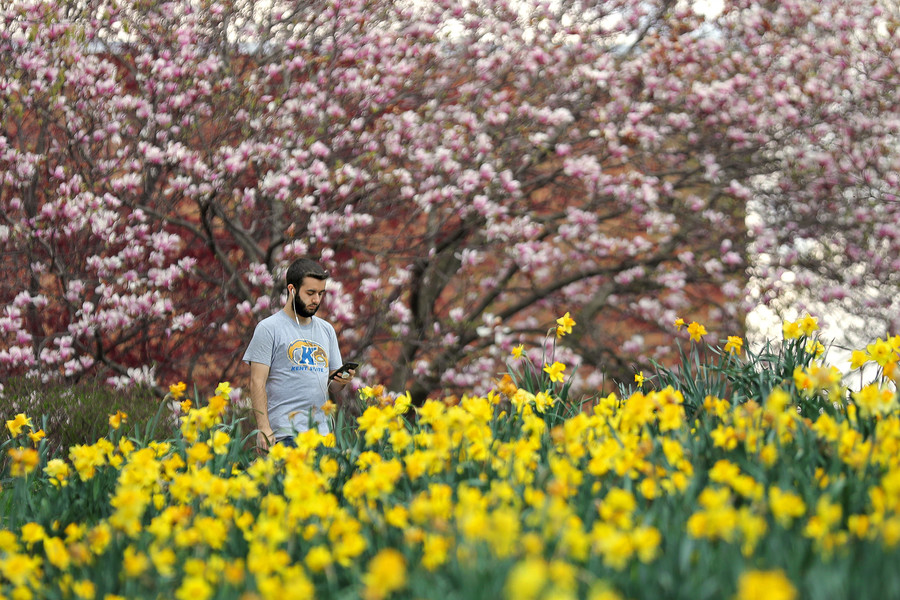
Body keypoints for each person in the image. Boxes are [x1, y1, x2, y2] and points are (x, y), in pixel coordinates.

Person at [242, 258, 355, 450]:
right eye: (310, 293)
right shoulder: (269, 328)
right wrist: (263, 428)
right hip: (285, 434)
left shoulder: (326, 330)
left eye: (320, 293)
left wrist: (342, 380)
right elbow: (257, 382)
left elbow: (333, 387)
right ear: (292, 289)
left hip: (322, 435)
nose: (316, 300)